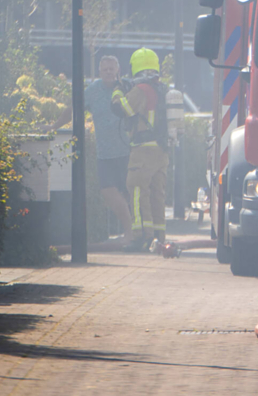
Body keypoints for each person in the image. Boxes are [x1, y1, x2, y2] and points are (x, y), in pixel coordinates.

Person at [49, 55, 133, 245]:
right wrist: (54, 126)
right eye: (105, 70)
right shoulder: (93, 91)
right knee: (108, 192)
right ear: (100, 72)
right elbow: (73, 108)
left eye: (112, 69)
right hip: (105, 153)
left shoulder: (127, 87)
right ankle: (130, 232)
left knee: (131, 193)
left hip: (128, 151)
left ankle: (135, 234)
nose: (109, 72)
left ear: (118, 70)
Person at [111, 48, 175, 252]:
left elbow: (122, 109)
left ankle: (141, 238)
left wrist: (117, 90)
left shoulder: (142, 90)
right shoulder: (162, 89)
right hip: (161, 151)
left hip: (143, 152)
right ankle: (158, 236)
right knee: (157, 194)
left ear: (135, 66)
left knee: (137, 191)